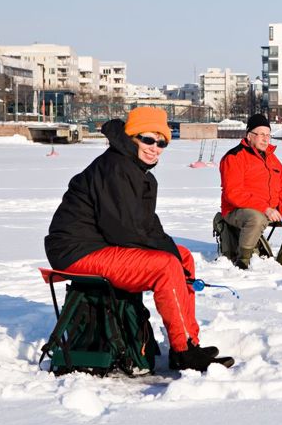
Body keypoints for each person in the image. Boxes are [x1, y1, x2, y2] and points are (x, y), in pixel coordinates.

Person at [44, 106, 233, 372]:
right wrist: (168, 256)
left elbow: (145, 225)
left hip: (99, 245)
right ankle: (183, 351)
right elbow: (123, 230)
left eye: (161, 142)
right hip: (78, 251)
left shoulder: (135, 170)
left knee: (183, 257)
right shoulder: (116, 168)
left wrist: (172, 251)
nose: (155, 147)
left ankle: (188, 342)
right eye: (147, 139)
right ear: (132, 137)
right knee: (166, 266)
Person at [219, 113, 282, 270]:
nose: (265, 139)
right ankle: (243, 260)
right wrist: (265, 208)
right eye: (260, 134)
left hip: (271, 210)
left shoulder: (270, 157)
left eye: (268, 135)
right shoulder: (234, 157)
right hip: (237, 211)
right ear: (249, 135)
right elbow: (233, 193)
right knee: (257, 218)